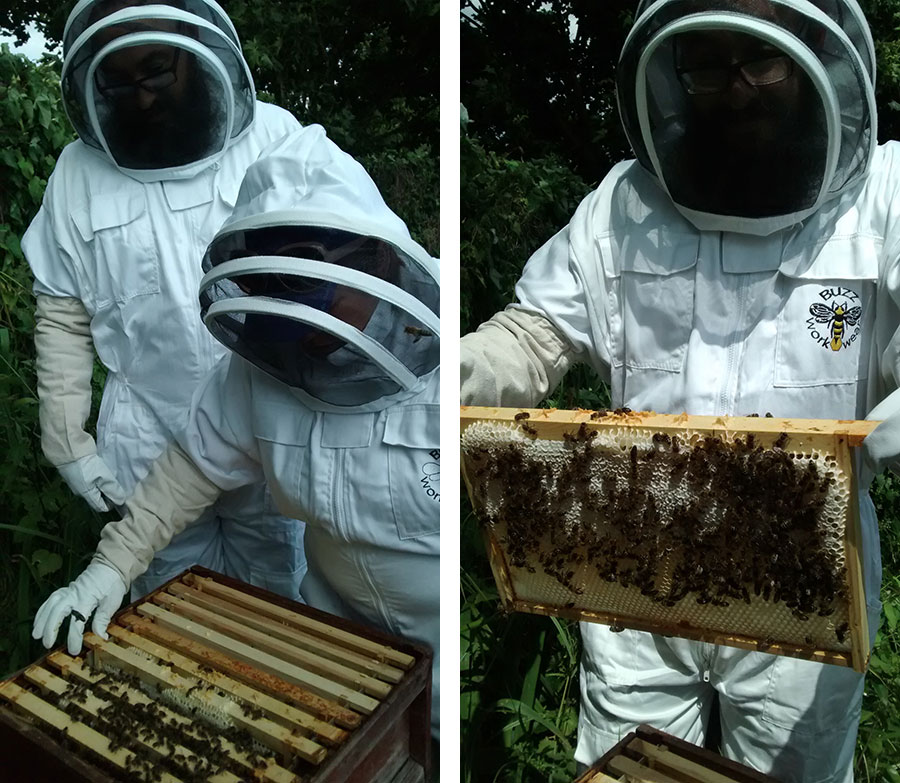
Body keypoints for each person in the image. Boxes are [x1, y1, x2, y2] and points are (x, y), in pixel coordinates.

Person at [461, 1, 899, 780]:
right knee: (633, 768)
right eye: (706, 66)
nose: (735, 91)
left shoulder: (883, 198)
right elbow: (538, 332)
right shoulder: (627, 203)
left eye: (759, 61)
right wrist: (469, 367)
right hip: (638, 579)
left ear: (809, 58)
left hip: (804, 589)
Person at [32, 125, 442, 738]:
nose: (305, 326)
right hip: (334, 637)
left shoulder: (458, 368)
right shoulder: (253, 377)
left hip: (442, 650)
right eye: (274, 290)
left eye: (315, 288)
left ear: (378, 260)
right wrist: (109, 569)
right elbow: (189, 470)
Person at [23, 0, 307, 600]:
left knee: (283, 602)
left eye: (156, 71)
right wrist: (67, 441)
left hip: (271, 424)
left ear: (195, 54)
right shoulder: (76, 173)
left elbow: (343, 278)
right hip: (147, 438)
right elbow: (62, 313)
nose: (143, 96)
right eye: (119, 80)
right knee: (172, 608)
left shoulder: (276, 140)